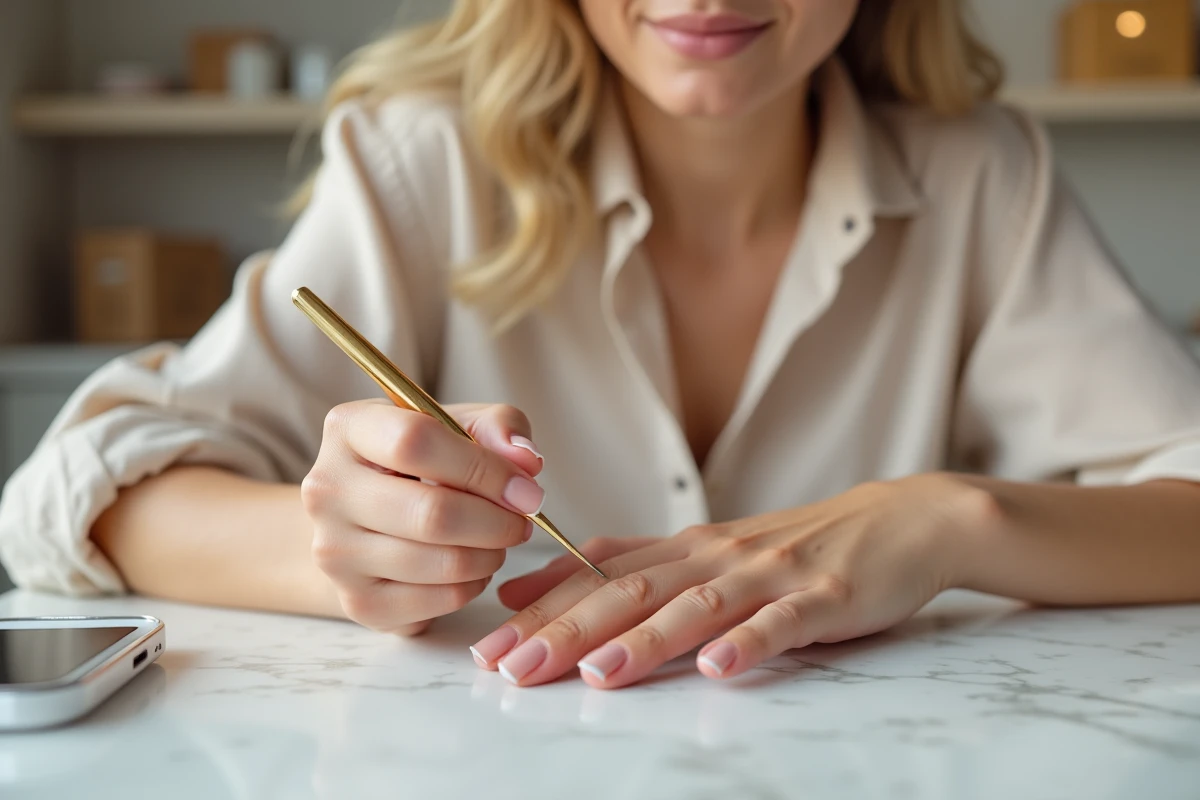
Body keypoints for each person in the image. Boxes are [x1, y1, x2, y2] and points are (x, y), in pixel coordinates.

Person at [3, 0, 1200, 691]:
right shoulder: (420, 162)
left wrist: (944, 517)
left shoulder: (983, 175)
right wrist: (342, 547)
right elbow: (62, 499)